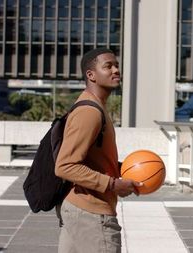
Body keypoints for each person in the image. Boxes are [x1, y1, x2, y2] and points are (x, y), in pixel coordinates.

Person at [55, 48, 142, 253]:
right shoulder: (89, 112)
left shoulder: (97, 107)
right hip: (91, 213)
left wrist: (126, 170)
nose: (116, 70)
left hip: (80, 209)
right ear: (91, 75)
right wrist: (113, 184)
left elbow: (92, 159)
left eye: (117, 65)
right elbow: (65, 166)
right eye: (108, 66)